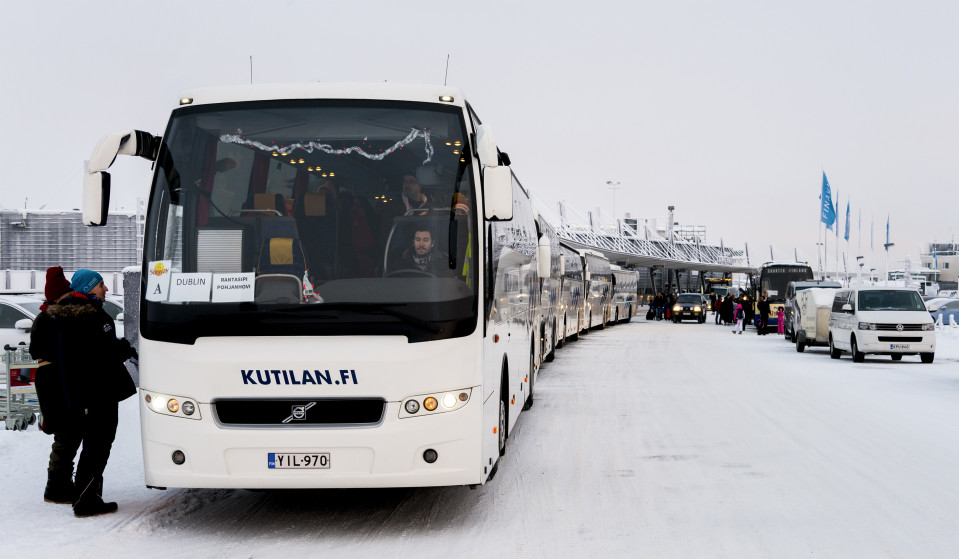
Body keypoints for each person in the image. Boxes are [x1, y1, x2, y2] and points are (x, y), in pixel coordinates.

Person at [29, 269, 137, 517]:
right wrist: (123, 349)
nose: (106, 289)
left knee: (79, 439)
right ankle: (85, 498)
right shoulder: (90, 316)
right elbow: (100, 354)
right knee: (94, 443)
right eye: (101, 285)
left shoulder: (62, 317)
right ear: (89, 288)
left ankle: (72, 491)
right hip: (96, 392)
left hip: (80, 391)